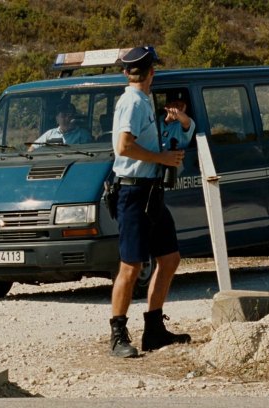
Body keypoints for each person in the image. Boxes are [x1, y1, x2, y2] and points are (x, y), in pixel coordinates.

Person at [108, 46, 192, 358]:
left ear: (126, 72)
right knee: (130, 267)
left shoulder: (142, 100)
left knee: (169, 258)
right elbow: (124, 146)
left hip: (151, 192)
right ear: (152, 72)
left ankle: (154, 329)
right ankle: (117, 336)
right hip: (133, 192)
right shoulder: (131, 101)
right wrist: (161, 157)